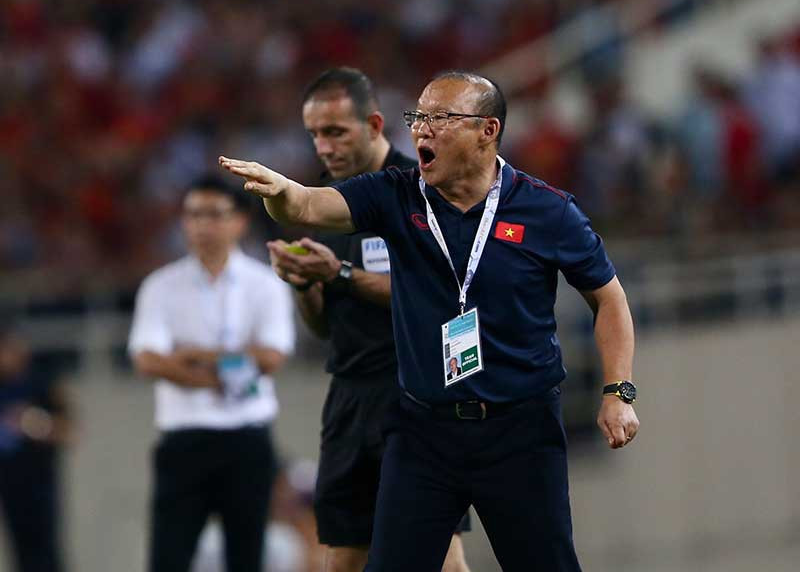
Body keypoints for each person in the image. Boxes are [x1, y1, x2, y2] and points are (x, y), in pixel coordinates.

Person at [220, 70, 640, 571]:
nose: (422, 129)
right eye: (418, 117)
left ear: (487, 131)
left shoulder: (547, 211)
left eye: (441, 118)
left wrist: (619, 391)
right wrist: (281, 191)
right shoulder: (396, 194)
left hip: (519, 430)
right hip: (424, 430)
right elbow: (311, 204)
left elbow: (609, 299)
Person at [265, 67, 471, 572]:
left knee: (437, 548)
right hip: (350, 394)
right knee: (342, 551)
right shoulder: (322, 205)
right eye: (314, 134)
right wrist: (303, 286)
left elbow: (442, 296)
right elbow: (324, 327)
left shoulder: (422, 190)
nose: (323, 146)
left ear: (374, 125)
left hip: (416, 389)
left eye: (335, 131)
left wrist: (339, 274)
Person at [128, 176, 295, 572]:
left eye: (214, 214)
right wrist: (231, 368)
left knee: (246, 556)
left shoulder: (264, 284)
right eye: (193, 215)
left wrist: (191, 357)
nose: (202, 225)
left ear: (240, 221)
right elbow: (147, 360)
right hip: (184, 437)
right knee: (168, 557)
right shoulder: (161, 286)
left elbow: (271, 357)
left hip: (247, 438)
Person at [0, 319, 74, 572]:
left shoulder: (42, 382)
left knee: (46, 552)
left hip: (40, 482)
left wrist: (33, 422)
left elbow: (69, 431)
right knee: (21, 554)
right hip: (9, 485)